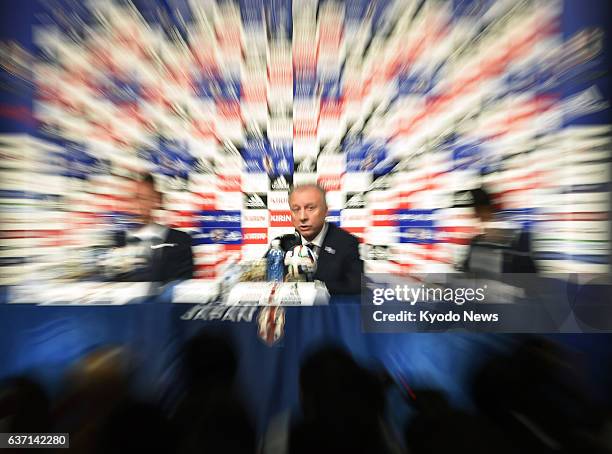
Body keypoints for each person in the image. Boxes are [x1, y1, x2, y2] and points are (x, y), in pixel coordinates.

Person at [276, 184, 363, 294]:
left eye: (310, 208)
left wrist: (314, 290)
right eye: (296, 209)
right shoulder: (283, 245)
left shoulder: (346, 243)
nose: (302, 217)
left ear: (326, 211)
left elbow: (355, 288)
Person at [110, 173, 194, 282]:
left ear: (155, 201)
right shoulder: (116, 241)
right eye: (132, 198)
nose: (136, 204)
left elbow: (183, 287)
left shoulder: (179, 241)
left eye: (142, 198)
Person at [457, 187, 537, 274]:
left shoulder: (518, 240)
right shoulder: (475, 242)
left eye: (479, 209)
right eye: (475, 210)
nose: (475, 214)